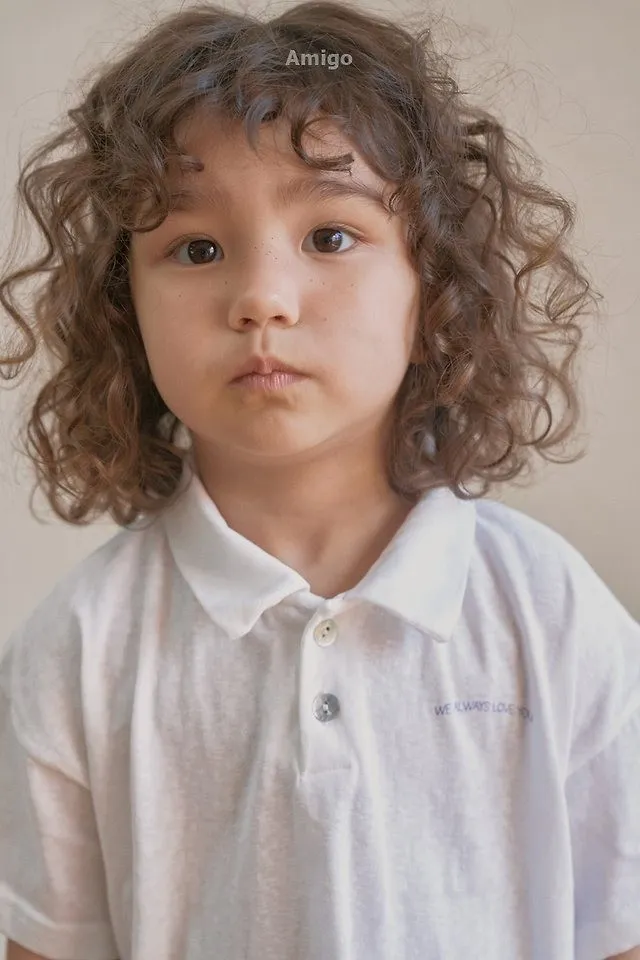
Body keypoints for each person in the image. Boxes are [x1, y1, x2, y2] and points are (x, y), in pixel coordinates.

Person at [0, 2, 638, 958]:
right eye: (198, 248)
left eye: (330, 237)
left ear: (434, 287)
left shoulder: (549, 612)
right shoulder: (78, 647)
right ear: (123, 307)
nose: (261, 298)